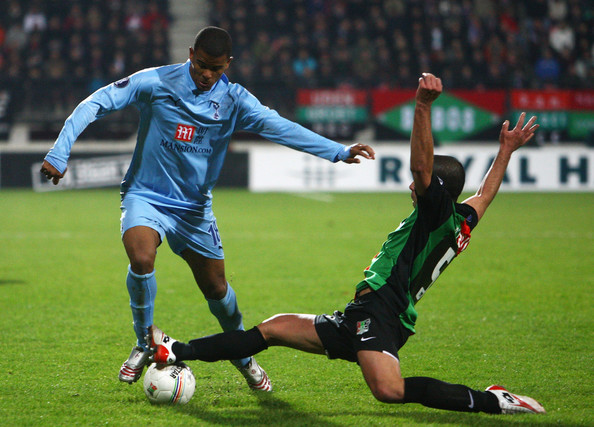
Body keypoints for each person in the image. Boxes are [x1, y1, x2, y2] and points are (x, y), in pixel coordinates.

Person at [148, 73, 545, 414]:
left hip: (382, 311)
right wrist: (505, 151)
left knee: (389, 390)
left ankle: (494, 401)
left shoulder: (436, 212)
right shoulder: (459, 220)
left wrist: (421, 106)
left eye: (420, 185)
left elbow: (422, 167)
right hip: (361, 312)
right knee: (269, 330)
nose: (412, 185)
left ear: (435, 191)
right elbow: (485, 195)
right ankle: (176, 350)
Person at [40, 27, 375, 390]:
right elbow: (96, 102)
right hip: (145, 195)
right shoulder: (156, 81)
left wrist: (337, 151)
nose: (206, 75)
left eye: (215, 69)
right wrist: (60, 150)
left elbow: (281, 127)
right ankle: (144, 342)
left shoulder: (235, 100)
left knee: (218, 292)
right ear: (190, 54)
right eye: (200, 65)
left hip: (194, 210)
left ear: (227, 64)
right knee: (141, 258)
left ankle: (243, 358)